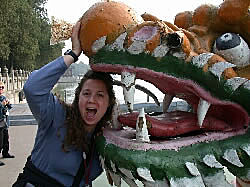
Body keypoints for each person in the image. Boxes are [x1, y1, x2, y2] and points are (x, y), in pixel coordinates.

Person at [13, 22, 116, 186]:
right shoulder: (56, 114)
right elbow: (32, 88)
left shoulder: (106, 138)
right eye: (86, 93)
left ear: (109, 103)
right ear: (78, 97)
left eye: (100, 95)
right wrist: (74, 53)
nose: (91, 100)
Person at [0, 81, 14, 166]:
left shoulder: (2, 97)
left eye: (2, 87)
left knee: (6, 139)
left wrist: (8, 104)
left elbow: (8, 108)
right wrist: (2, 105)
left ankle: (5, 152)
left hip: (4, 121)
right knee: (0, 141)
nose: (1, 89)